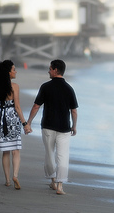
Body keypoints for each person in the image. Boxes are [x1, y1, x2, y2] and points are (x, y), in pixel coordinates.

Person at [26, 59, 78, 195]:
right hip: (64, 127)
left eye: (50, 68)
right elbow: (74, 110)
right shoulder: (69, 88)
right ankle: (60, 186)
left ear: (55, 70)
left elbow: (36, 106)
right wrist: (74, 126)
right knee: (63, 155)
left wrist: (29, 122)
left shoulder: (45, 87)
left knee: (49, 153)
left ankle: (53, 180)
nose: (48, 71)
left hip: (48, 126)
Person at [0, 60, 31, 190]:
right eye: (13, 69)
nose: (15, 71)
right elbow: (17, 107)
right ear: (8, 72)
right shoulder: (15, 86)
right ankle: (15, 175)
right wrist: (25, 124)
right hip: (11, 117)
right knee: (15, 150)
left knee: (5, 151)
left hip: (0, 117)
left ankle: (7, 180)